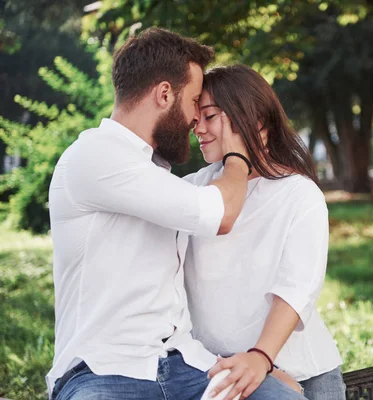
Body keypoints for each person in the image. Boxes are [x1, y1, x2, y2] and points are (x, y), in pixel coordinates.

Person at [47, 28, 304, 400]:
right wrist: (236, 154)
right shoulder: (95, 156)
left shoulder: (154, 174)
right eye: (194, 101)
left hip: (185, 365)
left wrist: (261, 364)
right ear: (164, 94)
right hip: (102, 371)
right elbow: (219, 214)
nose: (196, 120)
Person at [183, 64, 345, 400]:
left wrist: (263, 360)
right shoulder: (193, 191)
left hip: (302, 376)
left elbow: (296, 289)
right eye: (195, 118)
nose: (197, 128)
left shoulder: (299, 194)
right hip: (222, 376)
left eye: (210, 116)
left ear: (255, 120)